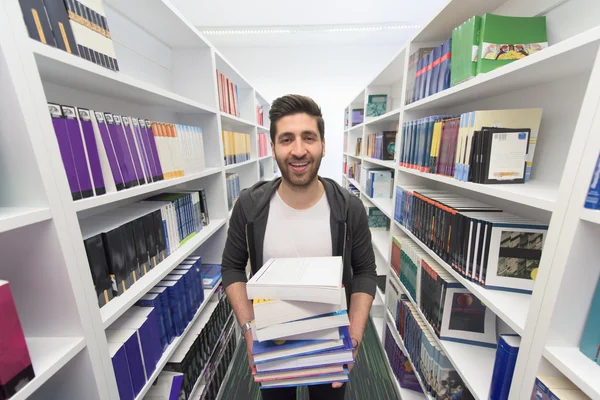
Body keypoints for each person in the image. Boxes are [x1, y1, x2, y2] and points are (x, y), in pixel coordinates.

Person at [221, 94, 377, 400]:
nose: (298, 150)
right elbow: (232, 267)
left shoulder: (349, 209)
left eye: (309, 137)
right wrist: (248, 331)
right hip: (271, 344)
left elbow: (365, 273)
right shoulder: (249, 206)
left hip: (330, 345)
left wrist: (354, 339)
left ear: (323, 144)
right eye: (287, 139)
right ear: (274, 147)